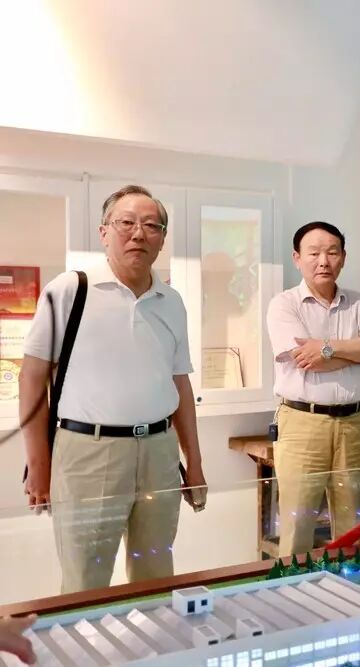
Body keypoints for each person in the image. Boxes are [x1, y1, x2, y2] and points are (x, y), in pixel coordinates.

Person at [20, 184, 206, 594]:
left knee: (156, 572)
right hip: (88, 452)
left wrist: (193, 462)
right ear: (104, 232)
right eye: (126, 223)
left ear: (162, 239)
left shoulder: (171, 301)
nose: (139, 233)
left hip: (159, 451)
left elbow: (179, 382)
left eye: (151, 225)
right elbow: (31, 377)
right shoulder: (69, 290)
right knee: (86, 578)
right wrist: (39, 464)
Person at [266, 221, 360, 557]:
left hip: (353, 423)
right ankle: (293, 587)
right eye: (314, 253)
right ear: (297, 258)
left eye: (332, 252)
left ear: (343, 258)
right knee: (298, 524)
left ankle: (347, 586)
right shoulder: (284, 304)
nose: (324, 261)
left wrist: (327, 348)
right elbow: (306, 359)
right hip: (302, 423)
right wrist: (356, 354)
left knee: (352, 521)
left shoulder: (358, 302)